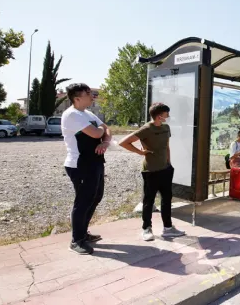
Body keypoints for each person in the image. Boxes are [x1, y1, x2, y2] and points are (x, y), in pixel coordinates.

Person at [119, 102, 186, 241]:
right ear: (159, 115)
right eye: (166, 113)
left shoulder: (166, 127)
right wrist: (140, 152)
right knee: (148, 201)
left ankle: (168, 228)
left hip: (166, 169)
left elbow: (167, 147)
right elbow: (123, 142)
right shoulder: (146, 129)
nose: (168, 116)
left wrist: (169, 164)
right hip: (150, 170)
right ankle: (146, 229)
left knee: (167, 200)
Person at [61, 83, 111, 255]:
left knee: (96, 197)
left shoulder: (87, 114)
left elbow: (107, 130)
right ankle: (76, 240)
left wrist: (105, 141)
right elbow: (98, 132)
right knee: (83, 201)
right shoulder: (72, 115)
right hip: (80, 164)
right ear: (77, 98)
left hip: (95, 162)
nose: (92, 96)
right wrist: (101, 133)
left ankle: (83, 233)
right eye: (88, 93)